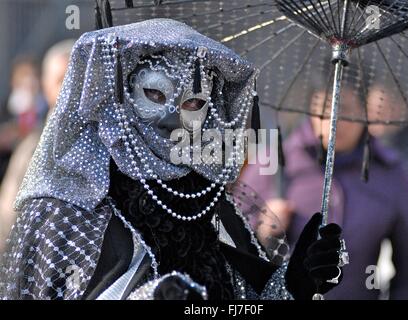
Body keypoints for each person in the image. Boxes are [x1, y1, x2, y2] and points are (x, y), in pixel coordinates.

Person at [0, 19, 346, 300]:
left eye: (192, 104)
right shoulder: (74, 202)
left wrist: (294, 283)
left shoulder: (205, 199)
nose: (173, 118)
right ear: (121, 95)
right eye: (155, 94)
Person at [241, 85, 408, 299]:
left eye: (345, 110)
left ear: (364, 112)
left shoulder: (390, 172)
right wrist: (261, 229)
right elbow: (230, 244)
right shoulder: (275, 161)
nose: (334, 120)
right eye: (325, 109)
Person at [0, 40, 75, 253]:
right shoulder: (32, 148)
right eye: (61, 80)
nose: (69, 88)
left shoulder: (109, 140)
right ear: (46, 85)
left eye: (76, 78)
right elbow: (8, 218)